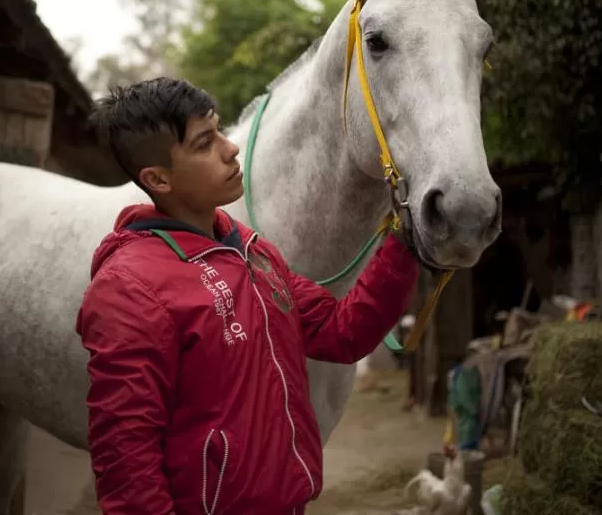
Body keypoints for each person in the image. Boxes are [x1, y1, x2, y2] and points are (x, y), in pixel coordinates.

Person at [75, 77, 422, 514]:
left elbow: (342, 333)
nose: (230, 148)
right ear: (158, 179)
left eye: (219, 129)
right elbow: (126, 462)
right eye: (204, 143)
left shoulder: (253, 252)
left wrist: (405, 240)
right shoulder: (130, 288)